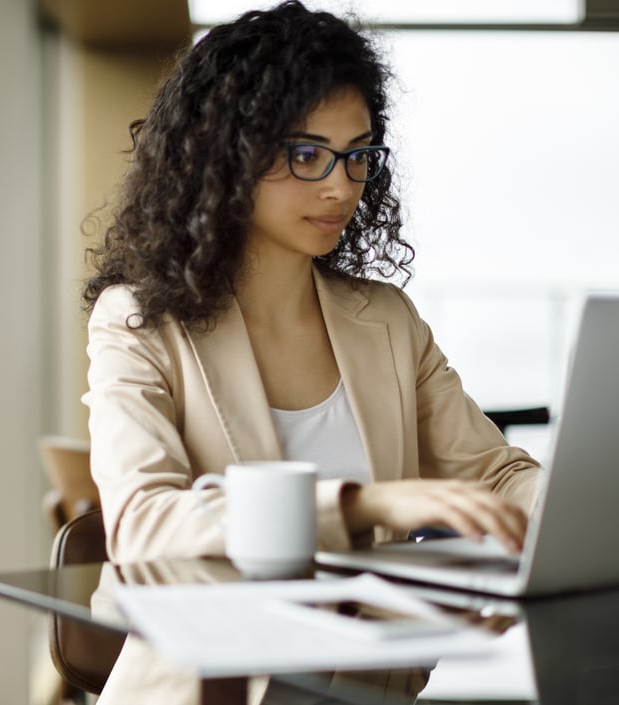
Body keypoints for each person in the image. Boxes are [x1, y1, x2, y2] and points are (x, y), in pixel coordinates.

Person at [80, 2, 541, 702]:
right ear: (225, 155)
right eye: (305, 154)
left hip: (367, 687)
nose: (340, 186)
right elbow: (145, 524)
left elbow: (496, 472)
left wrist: (581, 510)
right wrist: (363, 503)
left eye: (357, 156)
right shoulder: (141, 320)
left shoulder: (385, 319)